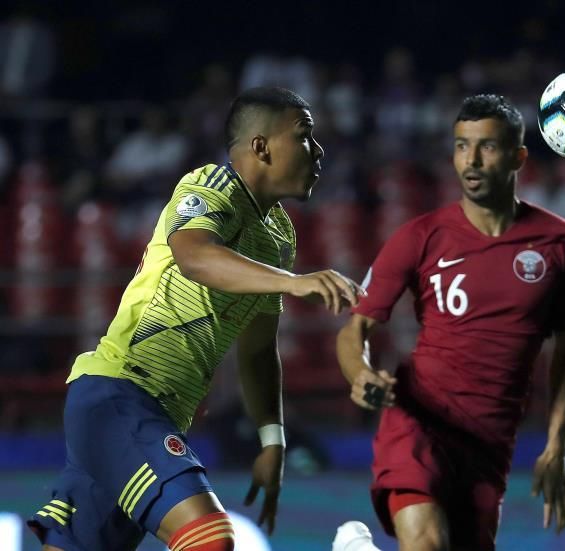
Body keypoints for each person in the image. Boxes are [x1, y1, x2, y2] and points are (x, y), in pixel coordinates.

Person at [28, 86, 364, 551]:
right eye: (305, 135)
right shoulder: (212, 186)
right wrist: (294, 281)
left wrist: (272, 438)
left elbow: (258, 348)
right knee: (208, 539)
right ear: (261, 146)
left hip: (149, 416)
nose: (319, 150)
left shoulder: (279, 235)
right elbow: (195, 256)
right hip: (122, 394)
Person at [336, 94, 565, 550]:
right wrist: (361, 374)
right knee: (427, 544)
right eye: (460, 146)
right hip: (419, 421)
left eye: (487, 147)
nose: (470, 160)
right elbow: (355, 330)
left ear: (518, 156)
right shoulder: (420, 236)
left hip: (489, 442)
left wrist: (557, 445)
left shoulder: (561, 243)